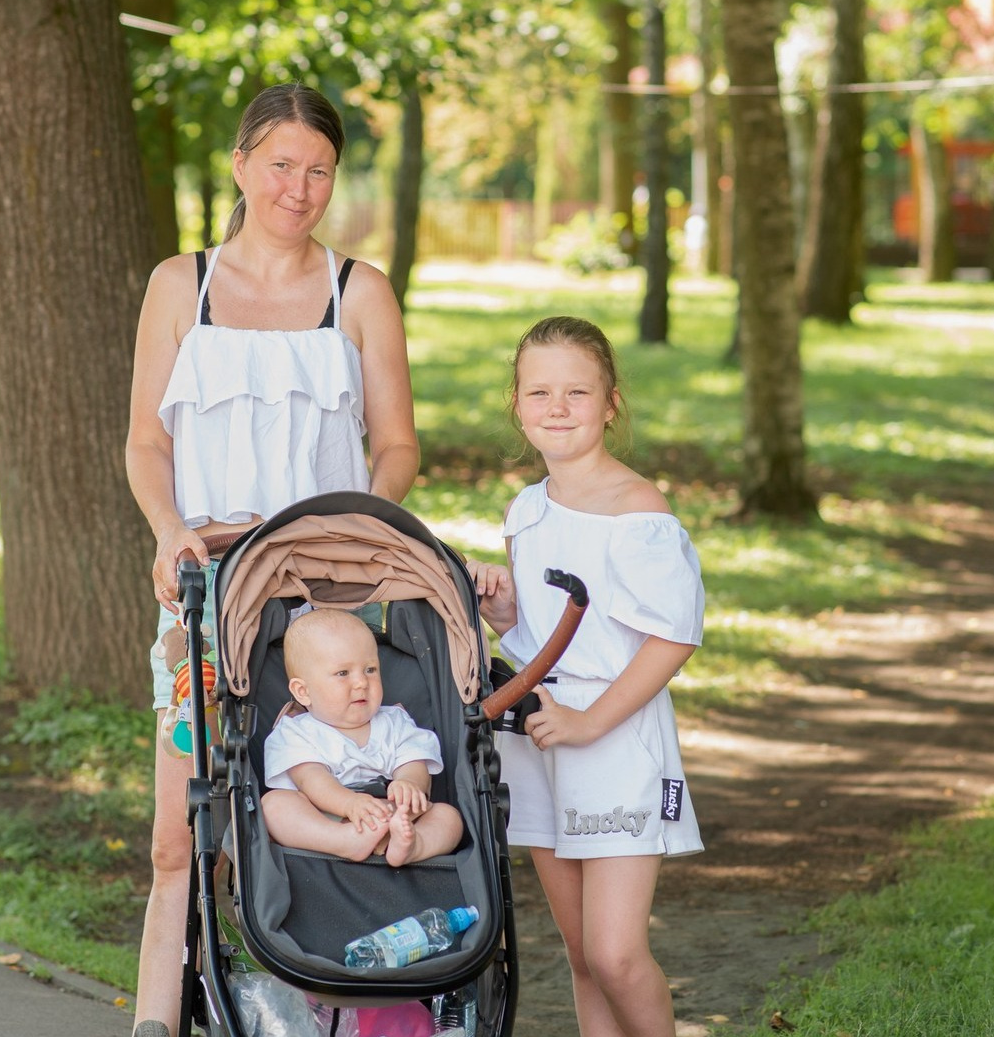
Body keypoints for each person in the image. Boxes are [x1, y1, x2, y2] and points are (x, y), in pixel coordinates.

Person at [124, 83, 420, 1037]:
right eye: (282, 165)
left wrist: (359, 528)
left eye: (321, 170)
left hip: (323, 603)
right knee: (181, 834)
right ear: (242, 164)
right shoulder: (183, 285)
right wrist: (170, 528)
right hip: (206, 594)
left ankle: (317, 1005)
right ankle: (155, 1020)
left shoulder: (357, 290)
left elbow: (399, 444)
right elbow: (144, 443)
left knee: (323, 805)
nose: (300, 187)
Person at [466, 316, 704, 1037]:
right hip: (542, 737)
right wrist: (505, 615)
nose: (558, 407)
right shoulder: (527, 508)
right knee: (579, 954)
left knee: (617, 952)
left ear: (610, 403)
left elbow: (673, 638)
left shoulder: (639, 513)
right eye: (539, 392)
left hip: (612, 739)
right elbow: (546, 637)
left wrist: (590, 723)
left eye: (578, 391)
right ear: (516, 403)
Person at [262, 608, 463, 866]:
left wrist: (409, 783)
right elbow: (312, 780)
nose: (361, 683)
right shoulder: (295, 732)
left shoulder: (394, 721)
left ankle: (412, 845)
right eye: (343, 673)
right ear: (303, 691)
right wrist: (349, 805)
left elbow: (414, 759)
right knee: (274, 806)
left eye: (370, 669)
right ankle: (343, 840)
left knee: (448, 817)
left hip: (393, 815)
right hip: (326, 817)